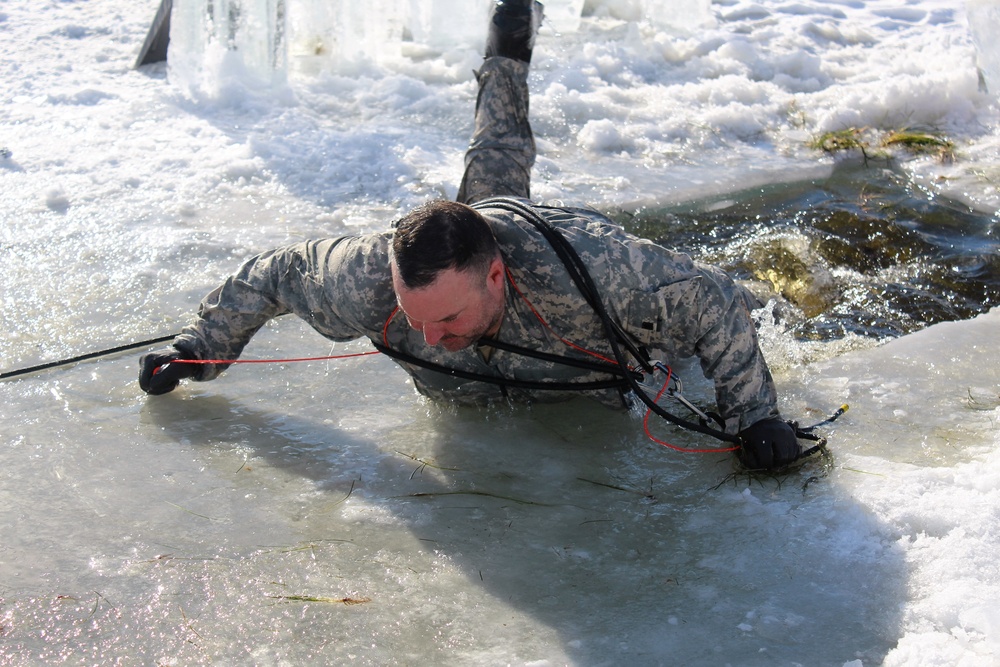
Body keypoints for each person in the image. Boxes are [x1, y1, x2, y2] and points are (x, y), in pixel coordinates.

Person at [139, 0, 802, 470]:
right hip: (479, 241)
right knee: (492, 171)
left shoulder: (595, 269)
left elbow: (712, 298)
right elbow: (278, 272)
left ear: (495, 276)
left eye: (447, 318)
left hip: (553, 264)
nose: (430, 337)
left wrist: (757, 416)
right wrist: (200, 346)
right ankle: (504, 54)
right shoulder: (368, 281)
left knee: (501, 169)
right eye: (416, 317)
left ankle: (509, 44)